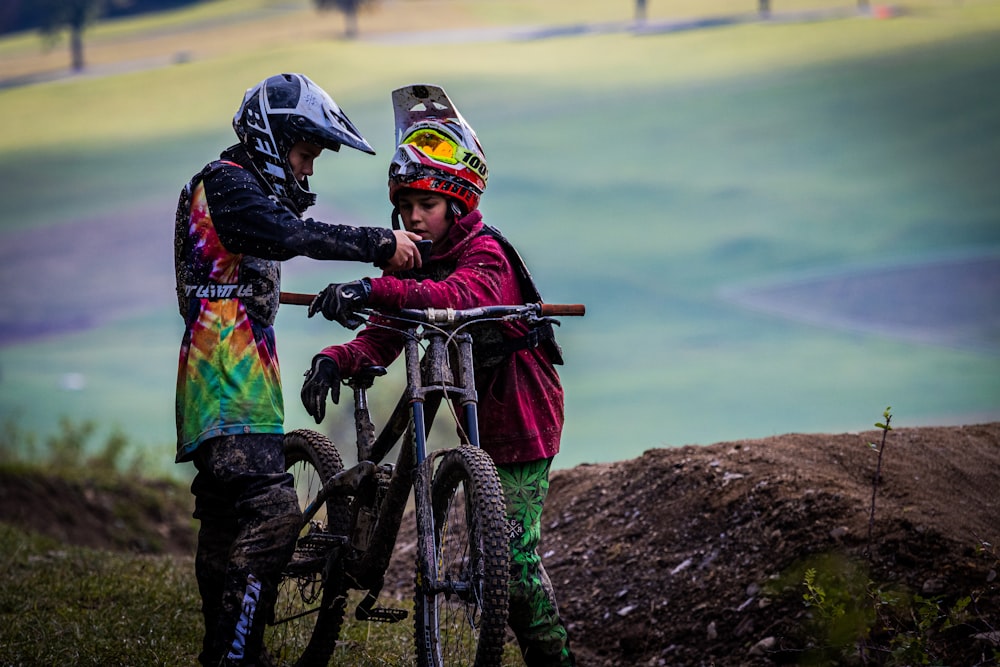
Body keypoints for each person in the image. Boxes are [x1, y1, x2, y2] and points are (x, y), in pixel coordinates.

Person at [300, 83, 576, 666]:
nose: (412, 219)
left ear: (458, 204)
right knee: (502, 560)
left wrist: (373, 285)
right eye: (403, 209)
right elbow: (386, 331)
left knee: (517, 569)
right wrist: (337, 357)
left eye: (424, 206)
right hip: (475, 416)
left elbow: (454, 296)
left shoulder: (486, 256)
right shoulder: (423, 260)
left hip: (523, 422)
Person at [173, 72, 422, 667]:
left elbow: (252, 264)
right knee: (275, 516)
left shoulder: (233, 194)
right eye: (305, 154)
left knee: (228, 526)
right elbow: (289, 235)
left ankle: (230, 650)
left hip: (231, 388)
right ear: (272, 138)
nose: (307, 171)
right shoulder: (225, 184)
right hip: (225, 387)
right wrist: (377, 244)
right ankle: (237, 653)